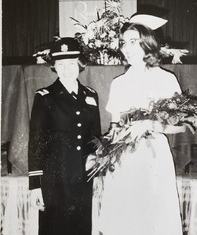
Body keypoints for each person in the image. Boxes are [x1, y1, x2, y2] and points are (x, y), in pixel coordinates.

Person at [93, 22, 186, 235]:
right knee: (125, 217)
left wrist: (151, 124)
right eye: (124, 43)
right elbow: (114, 127)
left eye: (133, 42)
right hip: (124, 157)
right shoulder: (119, 83)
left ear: (147, 43)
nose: (127, 48)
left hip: (154, 156)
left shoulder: (166, 79)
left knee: (154, 215)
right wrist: (104, 153)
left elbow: (181, 127)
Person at [28, 37, 101, 235]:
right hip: (55, 179)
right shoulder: (45, 97)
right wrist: (35, 185)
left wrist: (98, 173)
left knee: (81, 226)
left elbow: (95, 137)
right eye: (61, 64)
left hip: (83, 175)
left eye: (71, 64)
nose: (67, 69)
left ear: (79, 65)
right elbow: (36, 142)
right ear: (54, 67)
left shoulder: (90, 95)